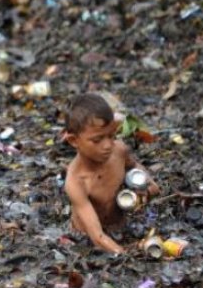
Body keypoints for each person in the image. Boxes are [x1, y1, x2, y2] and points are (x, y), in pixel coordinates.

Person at [62, 93, 160, 254]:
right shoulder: (76, 182)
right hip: (85, 239)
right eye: (97, 140)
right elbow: (97, 237)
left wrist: (148, 183)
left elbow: (134, 165)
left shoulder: (119, 151)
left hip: (120, 226)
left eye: (111, 136)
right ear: (74, 141)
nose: (108, 145)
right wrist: (125, 255)